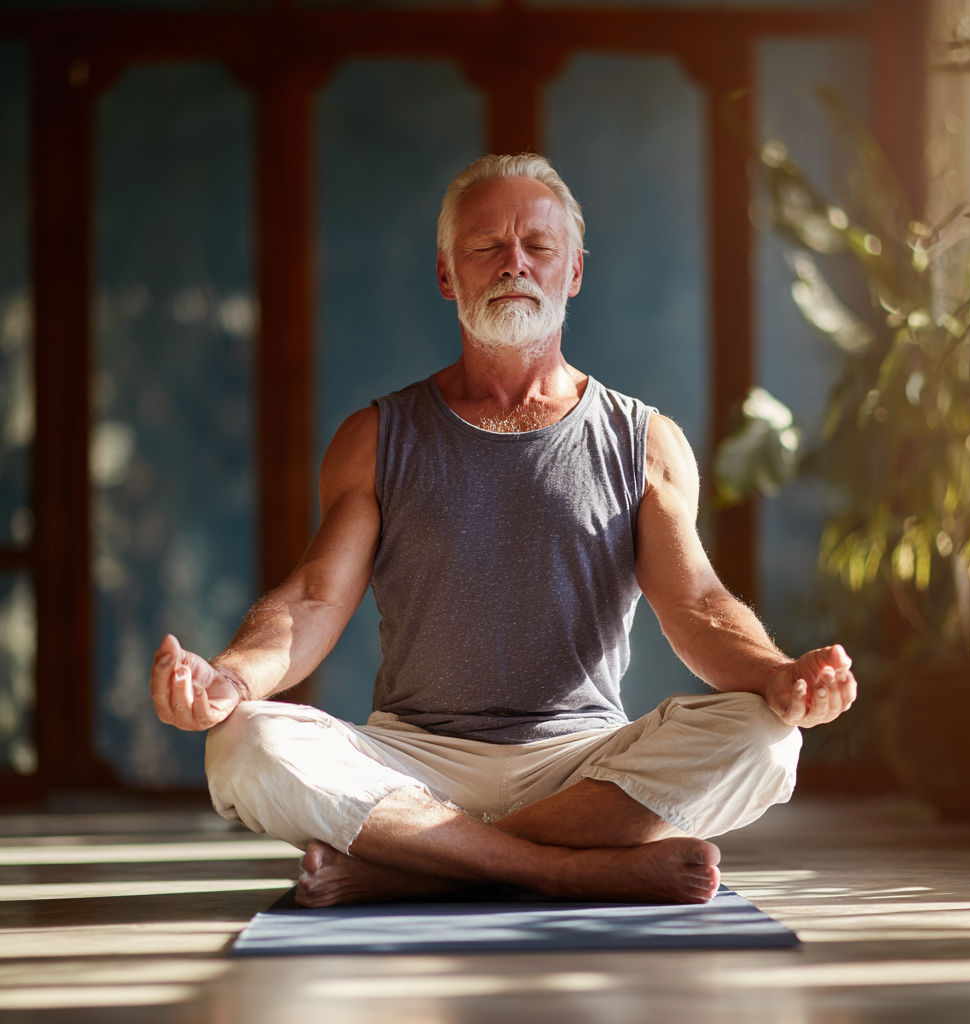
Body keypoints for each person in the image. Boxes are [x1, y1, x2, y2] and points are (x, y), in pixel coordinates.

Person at [150, 153, 856, 907]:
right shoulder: (376, 436)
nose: (513, 263)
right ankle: (565, 868)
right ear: (449, 275)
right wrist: (229, 680)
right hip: (411, 757)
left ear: (574, 271)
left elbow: (696, 607)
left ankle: (412, 862)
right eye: (486, 247)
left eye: (538, 247)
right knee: (242, 743)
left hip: (581, 761)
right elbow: (314, 600)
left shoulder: (645, 441)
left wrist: (778, 676)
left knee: (767, 738)